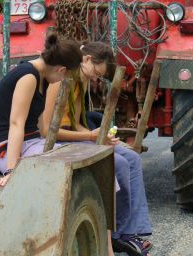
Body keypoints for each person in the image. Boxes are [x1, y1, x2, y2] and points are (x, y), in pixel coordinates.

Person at [40, 42, 152, 256]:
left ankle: (129, 232)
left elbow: (77, 123)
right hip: (59, 142)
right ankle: (116, 231)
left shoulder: (80, 83)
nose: (95, 79)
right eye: (95, 74)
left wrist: (102, 138)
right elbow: (49, 131)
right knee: (116, 162)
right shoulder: (60, 81)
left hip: (76, 137)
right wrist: (90, 137)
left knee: (132, 158)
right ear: (87, 59)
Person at [0, 33, 83, 187]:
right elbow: (16, 124)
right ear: (61, 70)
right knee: (72, 167)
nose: (62, 81)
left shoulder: (43, 77)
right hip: (11, 150)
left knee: (82, 160)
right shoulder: (28, 76)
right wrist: (11, 171)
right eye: (66, 76)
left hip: (33, 144)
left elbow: (40, 126)